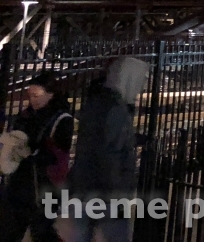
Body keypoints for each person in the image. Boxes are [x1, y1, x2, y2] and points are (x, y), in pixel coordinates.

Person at [62, 57, 150, 242]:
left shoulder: (96, 102)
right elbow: (110, 155)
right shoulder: (116, 109)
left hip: (83, 187)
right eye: (141, 79)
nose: (142, 87)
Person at [0, 72, 73, 242]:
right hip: (19, 184)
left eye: (36, 95)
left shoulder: (61, 119)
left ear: (51, 94)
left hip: (45, 186)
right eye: (30, 95)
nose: (32, 100)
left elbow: (59, 155)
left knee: (42, 231)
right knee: (9, 231)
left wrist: (32, 153)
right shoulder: (25, 116)